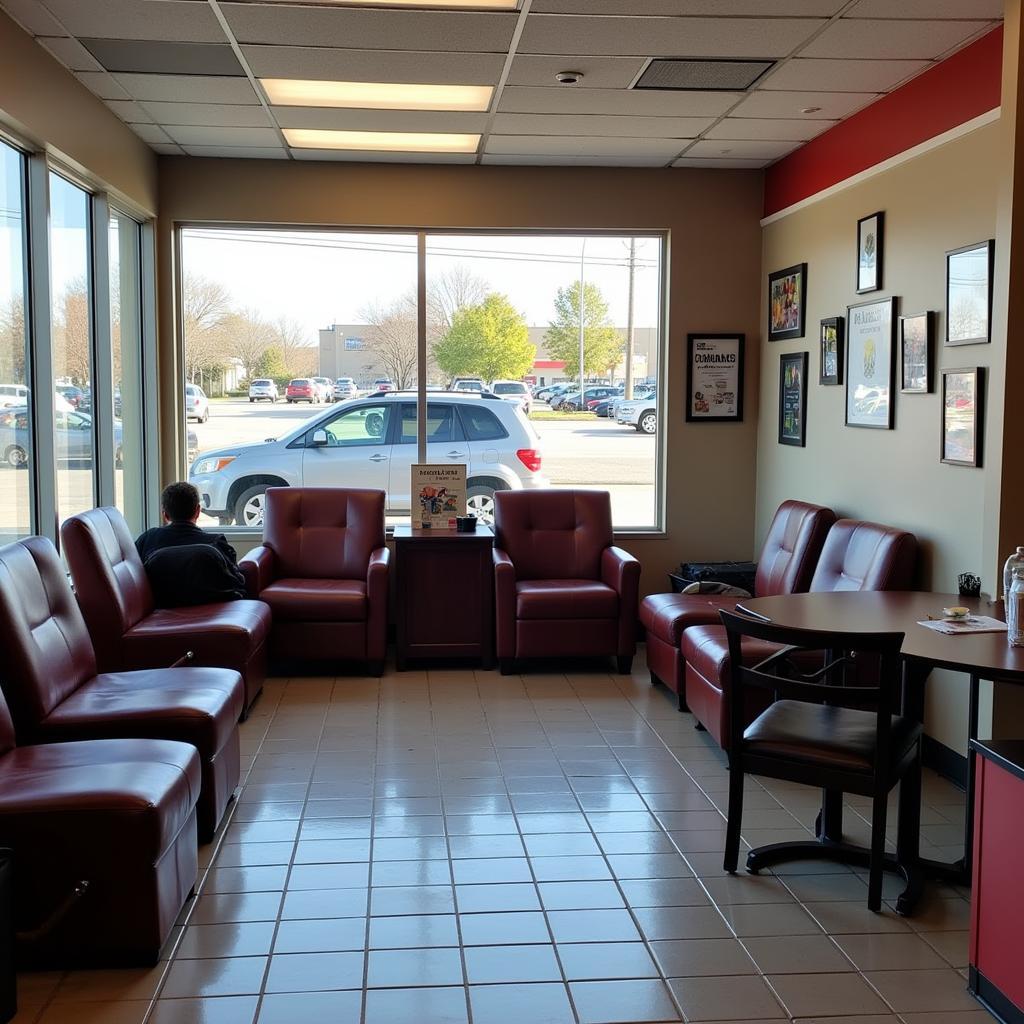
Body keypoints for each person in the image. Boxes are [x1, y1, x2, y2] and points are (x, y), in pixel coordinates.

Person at [136, 482, 245, 607]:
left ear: (165, 514)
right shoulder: (215, 542)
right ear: (198, 511)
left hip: (163, 608)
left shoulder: (148, 539)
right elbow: (237, 582)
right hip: (214, 610)